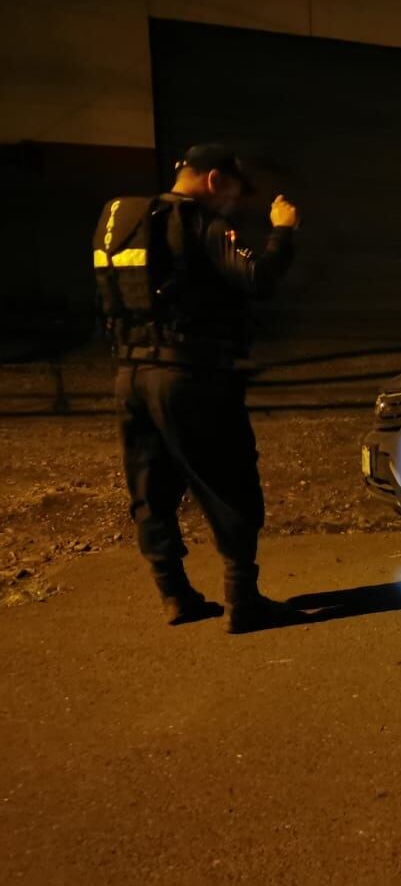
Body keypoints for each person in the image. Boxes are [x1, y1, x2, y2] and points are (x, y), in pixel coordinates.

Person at [93, 143, 303, 633]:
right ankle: (243, 601)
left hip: (130, 375)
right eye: (232, 192)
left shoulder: (125, 222)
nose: (232, 204)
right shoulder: (197, 223)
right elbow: (257, 278)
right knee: (229, 481)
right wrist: (283, 232)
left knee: (151, 486)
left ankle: (175, 595)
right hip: (192, 377)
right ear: (214, 181)